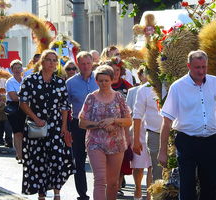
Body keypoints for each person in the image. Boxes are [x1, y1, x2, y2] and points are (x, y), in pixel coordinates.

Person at [158, 50, 216, 200]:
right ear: (188, 66)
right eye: (197, 67)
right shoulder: (177, 87)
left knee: (210, 185)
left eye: (204, 67)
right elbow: (167, 120)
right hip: (186, 141)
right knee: (187, 185)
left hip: (209, 141)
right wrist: (162, 150)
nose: (201, 71)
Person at [19, 50, 75, 200]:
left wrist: (64, 126)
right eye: (49, 60)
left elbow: (64, 106)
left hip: (56, 126)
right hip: (36, 127)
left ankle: (57, 193)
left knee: (57, 159)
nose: (52, 63)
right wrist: (35, 118)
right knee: (38, 160)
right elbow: (23, 103)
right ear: (42, 62)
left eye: (54, 60)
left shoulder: (59, 82)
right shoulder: (30, 80)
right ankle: (41, 194)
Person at [79, 65, 132, 200]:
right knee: (100, 179)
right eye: (100, 81)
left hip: (117, 143)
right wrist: (99, 125)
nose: (103, 83)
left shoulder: (119, 97)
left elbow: (128, 121)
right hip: (95, 143)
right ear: (96, 81)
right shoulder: (91, 98)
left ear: (112, 80)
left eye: (106, 80)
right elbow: (81, 122)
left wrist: (113, 120)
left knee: (113, 183)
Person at [66, 51, 99, 200]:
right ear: (78, 64)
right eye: (82, 64)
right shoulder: (71, 83)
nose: (86, 66)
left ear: (92, 63)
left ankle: (99, 191)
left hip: (98, 126)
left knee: (98, 161)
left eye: (88, 63)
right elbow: (65, 107)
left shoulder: (100, 79)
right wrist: (65, 128)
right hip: (77, 125)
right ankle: (82, 194)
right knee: (78, 161)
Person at [127, 68, 153, 200]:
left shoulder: (161, 88)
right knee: (138, 165)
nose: (147, 75)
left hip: (153, 129)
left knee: (152, 165)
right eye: (145, 73)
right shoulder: (133, 91)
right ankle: (138, 188)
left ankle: (149, 194)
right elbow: (129, 113)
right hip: (138, 129)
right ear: (140, 76)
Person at [5, 59, 26, 163]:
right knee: (17, 132)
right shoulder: (10, 81)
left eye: (19, 67)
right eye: (15, 68)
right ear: (11, 69)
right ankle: (19, 154)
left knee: (24, 132)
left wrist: (23, 97)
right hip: (14, 108)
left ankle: (24, 153)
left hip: (25, 107)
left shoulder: (25, 80)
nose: (17, 70)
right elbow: (13, 97)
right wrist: (24, 97)